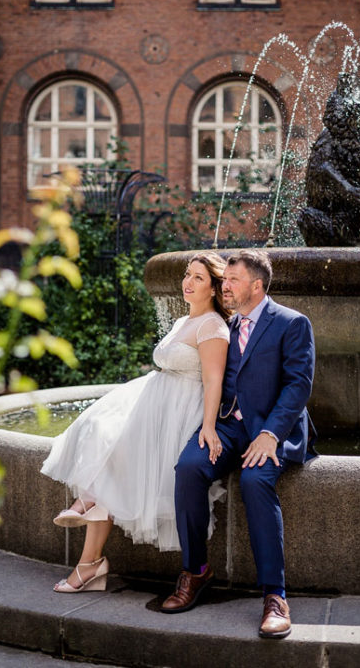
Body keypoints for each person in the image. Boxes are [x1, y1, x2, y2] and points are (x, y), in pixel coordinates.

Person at [42, 252, 231, 593]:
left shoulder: (213, 326)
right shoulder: (182, 321)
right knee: (97, 433)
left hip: (178, 412)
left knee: (109, 463)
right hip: (152, 400)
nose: (187, 282)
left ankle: (89, 558)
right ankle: (89, 555)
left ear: (215, 288)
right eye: (187, 275)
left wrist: (207, 426)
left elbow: (214, 381)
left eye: (198, 278)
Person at [160, 249, 316, 640]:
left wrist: (270, 434)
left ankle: (275, 596)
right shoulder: (223, 324)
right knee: (189, 468)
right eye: (224, 279)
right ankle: (195, 572)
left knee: (254, 481)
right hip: (229, 427)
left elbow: (298, 385)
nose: (224, 286)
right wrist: (207, 426)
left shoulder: (292, 323)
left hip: (270, 430)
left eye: (232, 281)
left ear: (257, 285)